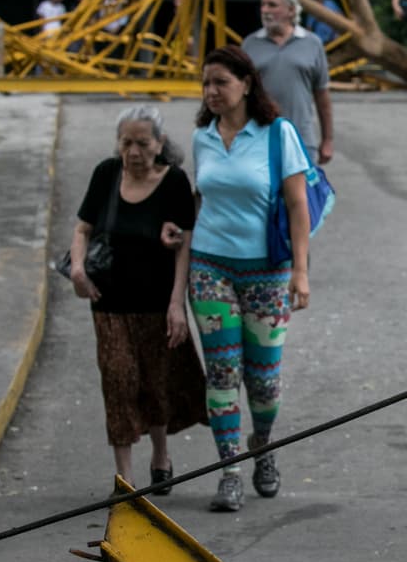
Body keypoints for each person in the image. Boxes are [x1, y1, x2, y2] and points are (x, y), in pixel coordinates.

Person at [190, 44, 312, 512]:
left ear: (246, 83)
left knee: (262, 379)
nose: (211, 91)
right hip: (210, 269)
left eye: (220, 82)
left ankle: (262, 444)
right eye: (206, 83)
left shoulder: (277, 133)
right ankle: (229, 471)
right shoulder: (202, 136)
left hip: (266, 273)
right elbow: (200, 199)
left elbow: (297, 204)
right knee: (221, 372)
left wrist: (300, 271)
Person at [69, 105, 207, 492]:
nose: (133, 152)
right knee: (118, 382)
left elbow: (185, 246)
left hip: (155, 303)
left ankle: (161, 457)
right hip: (109, 303)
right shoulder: (106, 174)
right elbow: (83, 228)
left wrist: (177, 304)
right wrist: (78, 270)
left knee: (155, 383)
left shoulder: (175, 181)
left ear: (159, 143)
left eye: (142, 143)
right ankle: (125, 478)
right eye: (126, 142)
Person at [242, 0, 335, 165]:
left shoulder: (312, 43)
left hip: (301, 140)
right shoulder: (250, 45)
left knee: (303, 195)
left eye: (272, 5)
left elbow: (322, 95)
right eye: (263, 5)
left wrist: (327, 140)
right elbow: (238, 98)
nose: (265, 10)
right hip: (258, 140)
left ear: (291, 10)